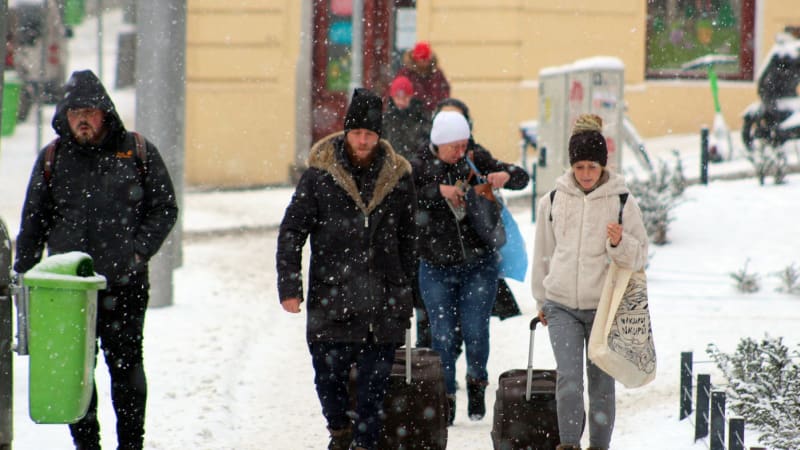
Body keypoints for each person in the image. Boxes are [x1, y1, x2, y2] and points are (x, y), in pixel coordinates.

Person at [13, 69, 178, 450]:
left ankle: (130, 444)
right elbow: (33, 221)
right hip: (69, 292)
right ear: (65, 117)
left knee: (126, 369)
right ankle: (87, 445)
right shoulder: (53, 158)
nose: (82, 120)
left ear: (105, 112)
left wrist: (136, 252)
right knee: (76, 373)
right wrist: (24, 273)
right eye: (74, 113)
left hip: (125, 284)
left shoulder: (136, 151)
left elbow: (164, 208)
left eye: (89, 111)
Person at [276, 88, 417, 450]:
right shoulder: (319, 176)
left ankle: (364, 443)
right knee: (329, 381)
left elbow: (409, 238)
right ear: (346, 132)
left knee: (373, 394)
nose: (363, 141)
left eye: (370, 134)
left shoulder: (399, 176)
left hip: (383, 300)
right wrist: (290, 286)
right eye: (357, 133)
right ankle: (339, 430)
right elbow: (293, 230)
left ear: (379, 135)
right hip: (331, 300)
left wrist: (411, 292)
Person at [531, 114, 649, 450]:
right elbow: (544, 252)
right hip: (561, 305)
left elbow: (640, 256)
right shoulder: (553, 199)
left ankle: (599, 446)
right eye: (580, 166)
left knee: (601, 384)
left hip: (604, 309)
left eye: (592, 167)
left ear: (603, 166)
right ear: (572, 165)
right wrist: (542, 301)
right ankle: (569, 444)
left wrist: (619, 243)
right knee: (568, 379)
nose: (585, 174)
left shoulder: (622, 200)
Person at [411, 110, 529, 425]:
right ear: (438, 143)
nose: (460, 151)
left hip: (479, 264)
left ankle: (478, 381)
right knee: (443, 335)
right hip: (435, 266)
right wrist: (439, 193)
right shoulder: (419, 165)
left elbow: (520, 177)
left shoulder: (475, 157)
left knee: (476, 331)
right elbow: (405, 195)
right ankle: (445, 396)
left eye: (463, 144)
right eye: (454, 146)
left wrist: (505, 175)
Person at [382, 75, 430, 161]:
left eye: (405, 97)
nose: (401, 101)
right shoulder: (386, 120)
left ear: (411, 96)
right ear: (392, 97)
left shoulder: (420, 118)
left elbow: (425, 144)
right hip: (393, 165)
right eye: (398, 97)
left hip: (415, 166)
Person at [395, 41, 451, 115]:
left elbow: (444, 92)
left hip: (433, 113)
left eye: (426, 58)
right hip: (411, 116)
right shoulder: (406, 74)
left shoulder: (437, 74)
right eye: (421, 58)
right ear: (415, 58)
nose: (424, 62)